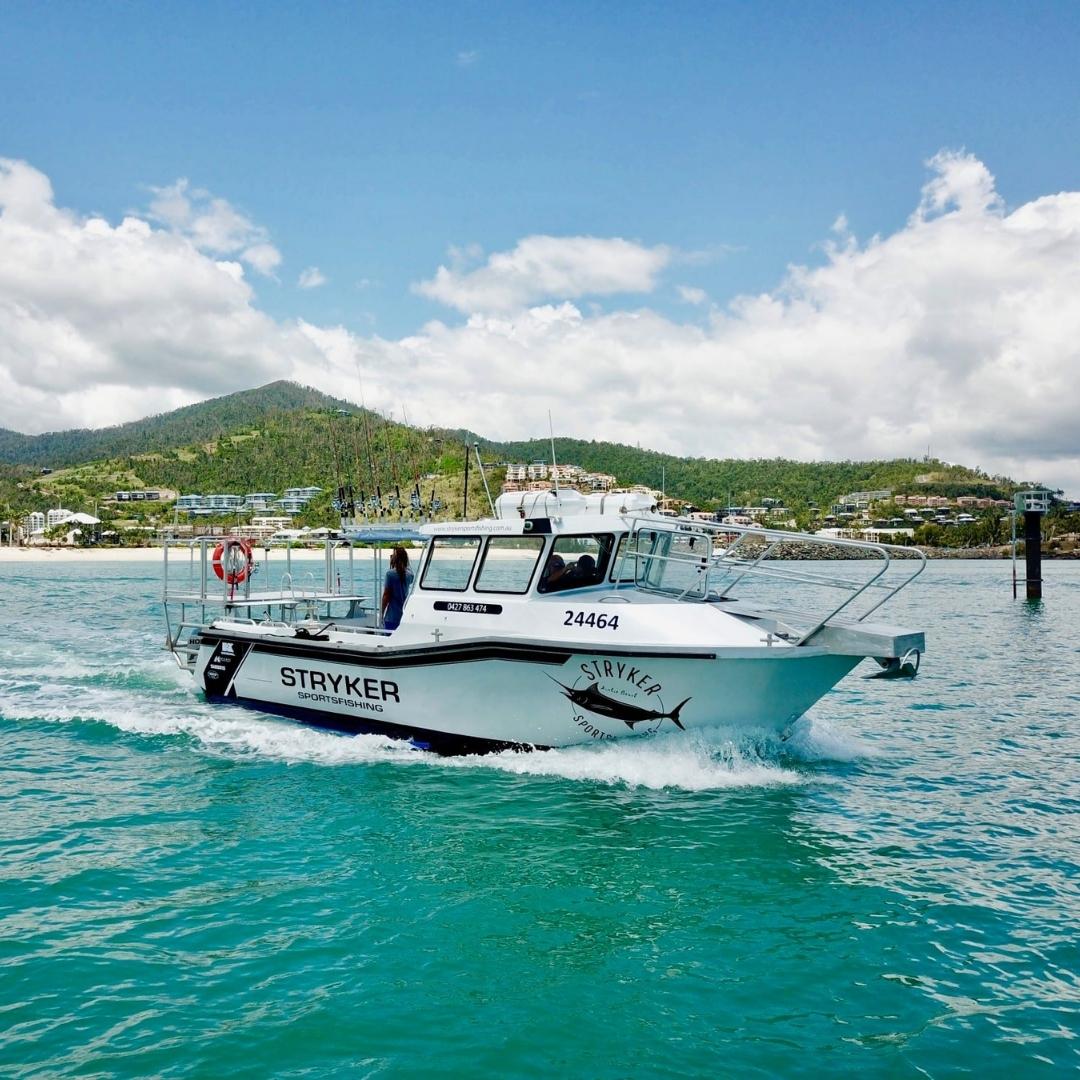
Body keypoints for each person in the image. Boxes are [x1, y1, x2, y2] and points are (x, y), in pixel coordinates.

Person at [381, 546, 414, 631]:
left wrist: (381, 613)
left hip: (392, 616)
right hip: (404, 615)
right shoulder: (410, 574)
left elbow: (386, 595)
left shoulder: (390, 574)